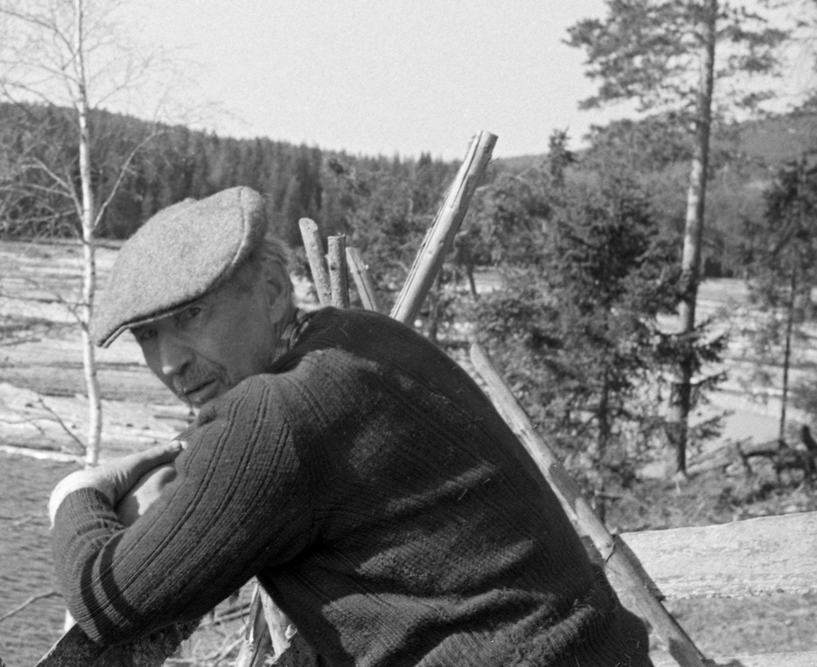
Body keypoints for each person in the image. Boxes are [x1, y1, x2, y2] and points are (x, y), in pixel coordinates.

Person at [48, 186, 652, 667]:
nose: (169, 360)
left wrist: (76, 496)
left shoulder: (276, 412)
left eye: (190, 314)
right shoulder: (357, 335)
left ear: (273, 290)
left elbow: (109, 601)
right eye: (146, 335)